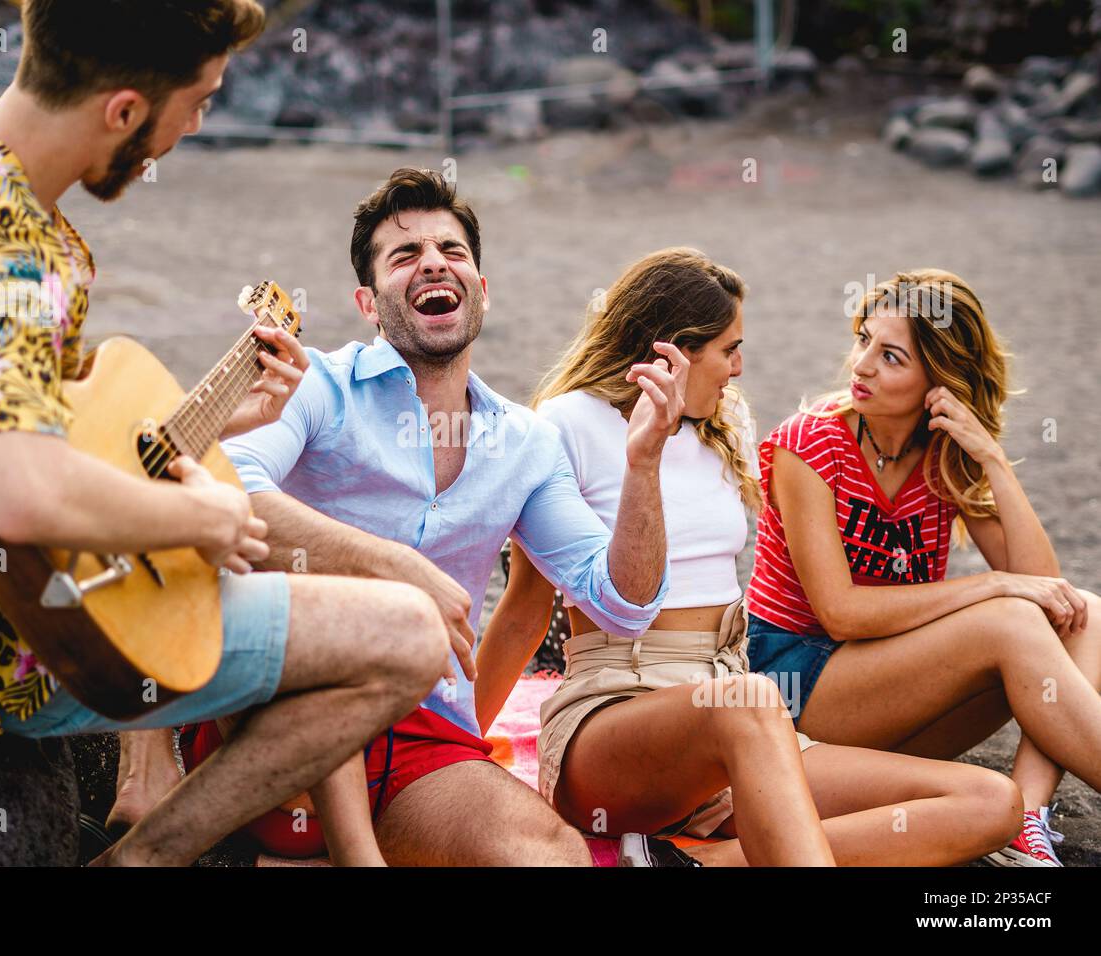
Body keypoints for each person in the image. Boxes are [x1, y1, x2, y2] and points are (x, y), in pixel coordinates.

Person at [0, 0, 446, 867]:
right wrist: (207, 522)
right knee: (405, 636)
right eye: (196, 102)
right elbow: (17, 487)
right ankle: (149, 857)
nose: (192, 126)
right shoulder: (13, 249)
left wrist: (217, 425)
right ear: (122, 109)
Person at [132, 166, 679, 865]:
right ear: (368, 302)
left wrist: (642, 467)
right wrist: (392, 563)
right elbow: (227, 485)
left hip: (421, 742)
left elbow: (622, 606)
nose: (432, 264)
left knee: (550, 854)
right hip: (280, 716)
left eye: (452, 252)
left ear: (482, 288)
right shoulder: (317, 387)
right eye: (404, 256)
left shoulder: (527, 442)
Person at [478, 249, 1023, 866]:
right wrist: (454, 748)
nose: (739, 368)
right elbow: (524, 606)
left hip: (733, 713)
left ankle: (702, 864)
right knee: (754, 704)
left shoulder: (722, 421)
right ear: (673, 352)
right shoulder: (568, 423)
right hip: (615, 718)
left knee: (989, 800)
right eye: (728, 349)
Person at [744, 269, 1101, 867]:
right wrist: (990, 586)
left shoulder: (942, 454)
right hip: (794, 681)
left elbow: (1049, 594)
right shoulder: (807, 444)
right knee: (1007, 621)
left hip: (890, 689)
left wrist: (990, 456)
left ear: (938, 378)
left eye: (890, 356)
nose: (860, 366)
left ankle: (1030, 822)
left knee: (1082, 613)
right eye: (864, 341)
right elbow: (840, 613)